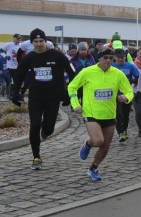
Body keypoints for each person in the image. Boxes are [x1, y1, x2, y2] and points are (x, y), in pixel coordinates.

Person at [12, 28, 76, 170]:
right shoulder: (28, 58)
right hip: (36, 97)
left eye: (41, 41)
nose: (39, 43)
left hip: (53, 97)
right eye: (36, 41)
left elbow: (72, 74)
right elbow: (18, 76)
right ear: (32, 42)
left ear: (45, 41)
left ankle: (45, 130)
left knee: (49, 129)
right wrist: (15, 93)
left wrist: (69, 94)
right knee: (34, 125)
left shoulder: (58, 56)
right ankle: (36, 157)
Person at [67, 48, 133, 181]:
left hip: (109, 114)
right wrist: (75, 104)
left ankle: (93, 168)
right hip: (91, 113)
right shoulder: (87, 72)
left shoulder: (118, 73)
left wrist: (126, 98)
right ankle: (88, 144)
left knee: (105, 145)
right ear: (99, 59)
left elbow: (129, 91)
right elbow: (72, 86)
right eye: (105, 58)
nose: (108, 60)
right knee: (98, 141)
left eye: (111, 58)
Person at [111, 48, 140, 142]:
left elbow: (137, 77)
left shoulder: (130, 66)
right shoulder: (111, 66)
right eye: (119, 57)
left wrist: (132, 81)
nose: (121, 59)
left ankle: (125, 130)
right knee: (118, 114)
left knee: (125, 114)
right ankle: (120, 133)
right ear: (115, 57)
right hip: (115, 95)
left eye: (123, 57)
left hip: (127, 94)